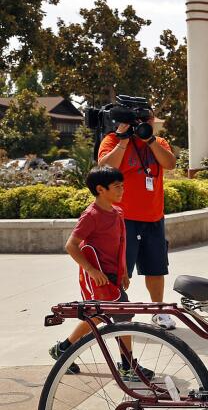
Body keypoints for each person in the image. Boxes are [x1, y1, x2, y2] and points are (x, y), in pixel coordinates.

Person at [48, 166, 154, 382]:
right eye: (117, 187)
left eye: (122, 186)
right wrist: (92, 270)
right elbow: (72, 245)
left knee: (96, 316)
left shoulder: (117, 212)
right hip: (99, 278)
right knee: (124, 314)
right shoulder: (91, 215)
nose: (122, 190)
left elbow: (121, 244)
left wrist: (124, 270)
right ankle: (127, 366)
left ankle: (63, 349)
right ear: (100, 189)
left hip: (113, 276)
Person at [98, 109, 178, 330]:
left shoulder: (158, 141)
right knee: (121, 271)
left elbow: (170, 164)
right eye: (140, 119)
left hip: (153, 218)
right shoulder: (113, 139)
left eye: (148, 118)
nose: (145, 122)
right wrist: (123, 140)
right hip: (123, 220)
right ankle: (115, 312)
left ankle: (158, 311)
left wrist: (150, 140)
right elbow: (106, 169)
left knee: (156, 268)